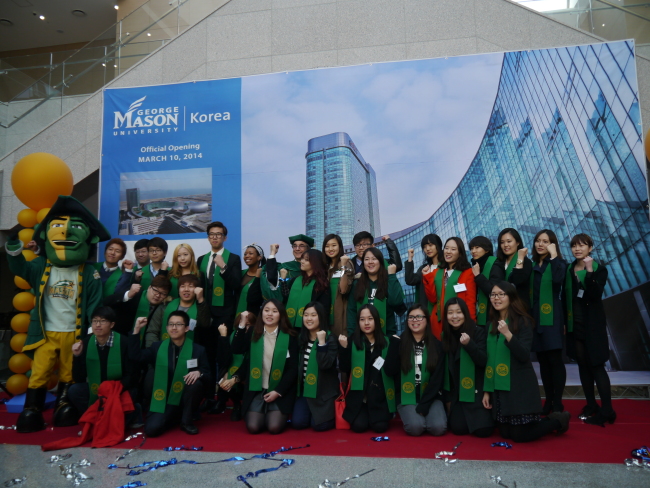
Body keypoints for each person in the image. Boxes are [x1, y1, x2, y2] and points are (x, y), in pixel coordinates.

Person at [5, 196, 109, 432]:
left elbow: (94, 305)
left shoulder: (88, 272)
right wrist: (14, 248)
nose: (65, 234)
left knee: (69, 372)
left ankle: (64, 405)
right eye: (57, 227)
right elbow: (20, 268)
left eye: (76, 228)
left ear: (88, 239)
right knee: (39, 372)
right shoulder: (41, 266)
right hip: (45, 333)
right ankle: (32, 409)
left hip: (73, 333)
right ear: (46, 237)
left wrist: (90, 335)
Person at [483, 281, 570, 442]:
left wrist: (508, 334)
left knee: (520, 435)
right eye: (493, 295)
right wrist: (487, 390)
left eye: (501, 294)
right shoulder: (490, 324)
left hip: (518, 387)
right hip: (499, 389)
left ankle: (558, 421)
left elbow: (523, 354)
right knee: (505, 433)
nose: (496, 298)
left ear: (511, 297)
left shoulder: (523, 321)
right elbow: (489, 361)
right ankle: (545, 421)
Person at [129, 311, 214, 437]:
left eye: (178, 324)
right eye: (171, 324)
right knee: (151, 430)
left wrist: (199, 372)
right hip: (163, 398)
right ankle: (175, 416)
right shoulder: (157, 347)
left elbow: (209, 376)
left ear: (186, 328)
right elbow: (135, 357)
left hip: (185, 397)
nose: (174, 327)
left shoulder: (198, 350)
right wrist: (136, 330)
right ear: (167, 328)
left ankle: (186, 421)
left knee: (195, 383)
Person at [564, 233, 615, 426]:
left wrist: (588, 271)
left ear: (590, 248)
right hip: (574, 325)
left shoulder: (599, 269)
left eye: (582, 245)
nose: (577, 249)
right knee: (583, 366)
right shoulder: (569, 269)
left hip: (592, 326)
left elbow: (594, 294)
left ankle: (608, 410)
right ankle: (591, 405)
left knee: (596, 366)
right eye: (574, 246)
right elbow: (565, 296)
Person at [230, 299, 299, 435]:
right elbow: (237, 349)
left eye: (274, 311)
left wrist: (278, 391)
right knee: (253, 427)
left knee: (274, 427)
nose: (269, 314)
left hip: (278, 390)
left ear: (281, 315)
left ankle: (273, 409)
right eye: (266, 310)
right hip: (257, 389)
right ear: (261, 313)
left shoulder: (290, 336)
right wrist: (242, 325)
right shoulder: (254, 333)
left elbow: (292, 369)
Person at [196, 221, 242, 410]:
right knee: (206, 354)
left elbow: (236, 285)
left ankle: (223, 398)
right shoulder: (201, 259)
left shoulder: (233, 259)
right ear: (208, 237)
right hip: (206, 314)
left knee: (223, 357)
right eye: (211, 234)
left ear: (225, 237)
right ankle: (207, 397)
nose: (215, 237)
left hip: (225, 314)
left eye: (219, 234)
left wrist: (223, 267)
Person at [385, 304, 447, 436]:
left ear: (426, 320)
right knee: (416, 428)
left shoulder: (437, 346)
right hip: (406, 395)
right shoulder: (400, 343)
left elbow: (437, 379)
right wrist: (394, 348)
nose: (415, 320)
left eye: (419, 317)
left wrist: (424, 404)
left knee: (438, 428)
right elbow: (389, 371)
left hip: (431, 396)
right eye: (411, 317)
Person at [69, 306, 138, 424]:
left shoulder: (124, 342)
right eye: (95, 321)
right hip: (96, 388)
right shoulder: (86, 343)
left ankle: (114, 420)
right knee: (75, 390)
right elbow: (78, 378)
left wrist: (113, 389)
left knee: (133, 394)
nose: (98, 325)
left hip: (117, 388)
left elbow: (132, 374)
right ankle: (94, 420)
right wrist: (77, 356)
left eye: (102, 321)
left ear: (112, 324)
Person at [440, 298, 494, 437]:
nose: (455, 316)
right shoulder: (446, 336)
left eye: (459, 312)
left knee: (484, 432)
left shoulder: (478, 332)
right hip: (458, 393)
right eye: (450, 312)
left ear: (465, 313)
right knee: (458, 429)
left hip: (477, 390)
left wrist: (470, 344)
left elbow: (483, 362)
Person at [338, 305, 394, 433]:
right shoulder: (353, 341)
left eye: (370, 318)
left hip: (379, 398)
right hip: (359, 398)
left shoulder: (386, 343)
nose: (366, 323)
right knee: (359, 426)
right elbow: (344, 368)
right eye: (362, 319)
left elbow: (391, 371)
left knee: (380, 428)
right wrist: (344, 349)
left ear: (376, 320)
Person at [530, 229, 568, 415]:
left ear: (552, 244)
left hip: (552, 315)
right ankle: (549, 400)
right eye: (538, 240)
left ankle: (558, 402)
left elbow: (558, 280)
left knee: (554, 359)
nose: (540, 244)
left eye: (545, 241)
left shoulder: (558, 262)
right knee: (543, 361)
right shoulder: (531, 265)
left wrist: (553, 256)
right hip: (535, 317)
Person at [292, 302, 338, 431]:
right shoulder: (301, 338)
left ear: (321, 317)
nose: (309, 318)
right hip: (305, 391)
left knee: (319, 426)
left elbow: (325, 365)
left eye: (313, 315)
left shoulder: (330, 338)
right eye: (306, 315)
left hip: (323, 393)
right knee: (298, 423)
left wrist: (322, 343)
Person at [422, 237, 476, 340]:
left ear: (460, 253)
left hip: (458, 321)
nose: (448, 251)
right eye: (446, 248)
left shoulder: (467, 273)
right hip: (438, 322)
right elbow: (432, 299)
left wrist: (471, 324)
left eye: (453, 249)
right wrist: (427, 276)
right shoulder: (437, 272)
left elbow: (470, 301)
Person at [347, 247, 405, 337]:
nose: (370, 262)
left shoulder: (389, 281)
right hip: (361, 338)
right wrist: (351, 336)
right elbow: (351, 310)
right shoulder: (357, 284)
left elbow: (396, 302)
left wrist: (392, 275)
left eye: (374, 259)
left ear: (380, 262)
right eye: (366, 259)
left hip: (386, 335)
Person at [145, 274, 210, 345]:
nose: (186, 289)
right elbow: (152, 331)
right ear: (178, 290)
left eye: (191, 286)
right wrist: (155, 351)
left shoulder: (200, 308)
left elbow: (205, 325)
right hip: (162, 350)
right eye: (182, 286)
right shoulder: (165, 306)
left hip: (189, 352)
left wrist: (200, 300)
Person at [216, 311, 257, 421]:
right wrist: (223, 337)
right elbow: (223, 359)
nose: (246, 328)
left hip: (248, 370)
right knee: (224, 375)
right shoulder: (234, 336)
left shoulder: (256, 337)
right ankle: (236, 405)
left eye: (249, 325)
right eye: (244, 325)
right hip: (232, 369)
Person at [281, 249, 331, 328]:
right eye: (302, 259)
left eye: (306, 260)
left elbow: (324, 309)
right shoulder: (295, 280)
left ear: (315, 263)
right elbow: (285, 298)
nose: (302, 261)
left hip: (311, 326)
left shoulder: (321, 284)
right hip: (290, 326)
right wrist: (283, 281)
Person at [116, 275, 171, 341]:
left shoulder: (163, 308)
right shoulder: (135, 295)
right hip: (123, 339)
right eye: (155, 290)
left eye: (163, 293)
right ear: (149, 287)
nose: (158, 295)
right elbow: (107, 302)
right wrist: (128, 295)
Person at [262, 234, 314, 301]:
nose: (297, 249)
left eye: (301, 246)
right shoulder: (285, 267)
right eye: (294, 246)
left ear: (308, 249)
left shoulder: (314, 268)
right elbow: (271, 278)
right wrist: (273, 253)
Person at [322, 234, 354, 336]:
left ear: (340, 246)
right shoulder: (324, 266)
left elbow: (344, 290)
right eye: (327, 246)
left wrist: (343, 266)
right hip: (325, 311)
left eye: (334, 245)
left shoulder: (346, 263)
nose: (330, 249)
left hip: (340, 311)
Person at [470, 236, 504, 327]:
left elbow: (494, 291)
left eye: (477, 247)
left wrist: (478, 276)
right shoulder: (477, 266)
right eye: (471, 248)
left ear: (487, 250)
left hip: (493, 315)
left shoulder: (495, 264)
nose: (473, 251)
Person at [405, 234, 444, 314]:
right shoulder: (424, 269)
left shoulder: (446, 267)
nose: (427, 249)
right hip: (427, 311)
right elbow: (410, 280)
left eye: (430, 245)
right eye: (425, 247)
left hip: (443, 308)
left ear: (438, 245)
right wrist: (410, 259)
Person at [497, 228, 532, 310]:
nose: (505, 245)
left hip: (519, 307)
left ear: (518, 243)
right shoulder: (498, 263)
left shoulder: (526, 262)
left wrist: (520, 258)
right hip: (501, 308)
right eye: (502, 242)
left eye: (509, 241)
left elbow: (518, 280)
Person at [94, 238, 133, 307]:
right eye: (110, 249)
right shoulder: (93, 267)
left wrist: (128, 271)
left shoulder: (121, 275)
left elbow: (119, 293)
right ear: (105, 252)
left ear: (122, 256)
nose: (112, 253)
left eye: (117, 251)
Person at [236, 243, 266, 316]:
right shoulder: (240, 273)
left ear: (259, 257)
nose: (247, 256)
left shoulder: (263, 276)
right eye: (245, 254)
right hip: (237, 314)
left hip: (254, 316)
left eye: (251, 253)